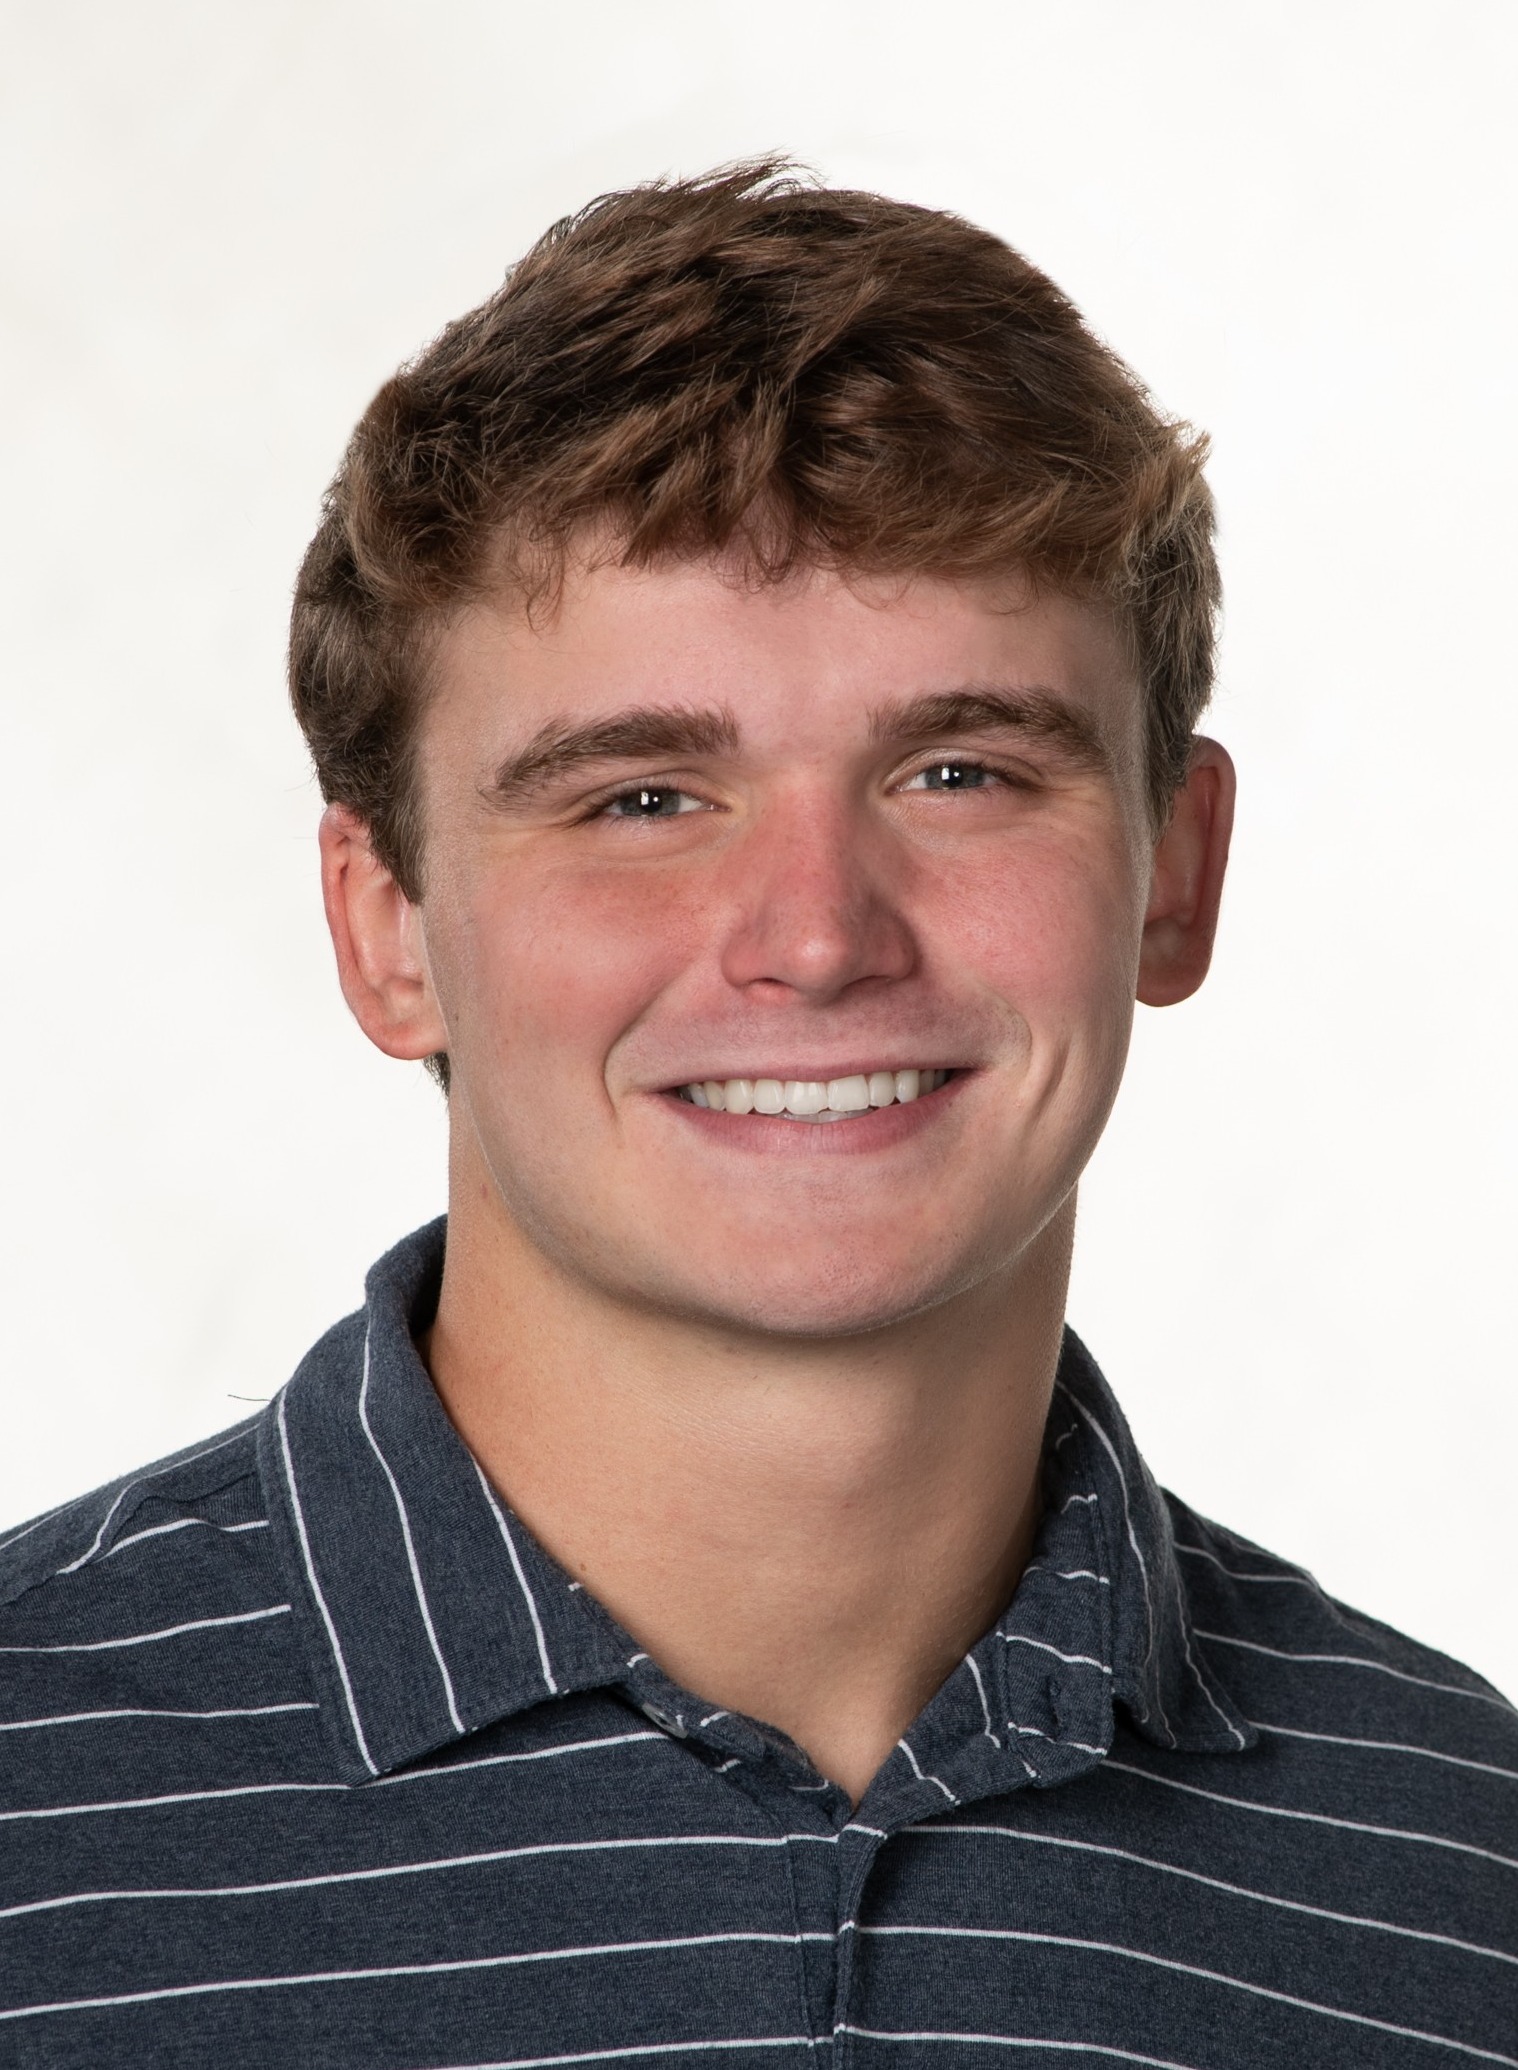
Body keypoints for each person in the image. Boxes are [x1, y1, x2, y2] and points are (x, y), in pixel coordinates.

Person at [2, 161, 1513, 2069]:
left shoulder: (1463, 1884)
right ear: (386, 929)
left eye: (960, 771)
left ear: (1173, 874)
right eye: (640, 798)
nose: (814, 935)